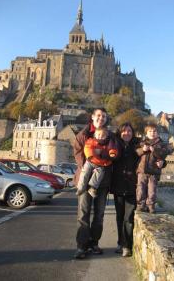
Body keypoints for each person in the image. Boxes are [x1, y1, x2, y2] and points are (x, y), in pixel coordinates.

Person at [73, 108, 115, 259]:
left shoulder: (110, 136)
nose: (101, 118)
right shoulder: (83, 134)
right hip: (85, 180)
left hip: (103, 182)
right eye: (98, 115)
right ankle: (81, 246)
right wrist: (92, 165)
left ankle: (94, 243)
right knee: (83, 214)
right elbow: (78, 154)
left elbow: (116, 153)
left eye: (104, 116)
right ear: (92, 117)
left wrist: (102, 156)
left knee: (99, 215)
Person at [110, 122, 139, 257]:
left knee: (129, 218)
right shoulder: (115, 145)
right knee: (119, 217)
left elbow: (151, 156)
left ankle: (127, 246)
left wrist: (162, 163)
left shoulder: (137, 146)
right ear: (120, 133)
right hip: (118, 186)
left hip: (132, 187)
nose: (127, 133)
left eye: (129, 131)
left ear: (133, 133)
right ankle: (120, 243)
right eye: (124, 131)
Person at [136, 123, 170, 213]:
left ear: (158, 133)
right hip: (142, 171)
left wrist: (154, 150)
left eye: (154, 131)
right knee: (140, 189)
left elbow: (163, 154)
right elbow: (136, 153)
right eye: (150, 131)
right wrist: (143, 150)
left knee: (152, 191)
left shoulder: (162, 144)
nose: (152, 133)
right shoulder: (142, 143)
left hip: (154, 172)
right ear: (146, 133)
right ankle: (141, 205)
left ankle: (151, 206)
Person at [76, 127, 118, 198]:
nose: (100, 137)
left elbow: (112, 149)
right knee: (84, 172)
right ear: (95, 135)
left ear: (106, 136)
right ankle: (81, 187)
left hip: (100, 164)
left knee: (99, 174)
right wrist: (90, 155)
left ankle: (92, 187)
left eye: (103, 135)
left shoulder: (108, 143)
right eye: (98, 135)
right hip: (91, 161)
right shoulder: (91, 141)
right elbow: (87, 147)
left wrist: (112, 154)